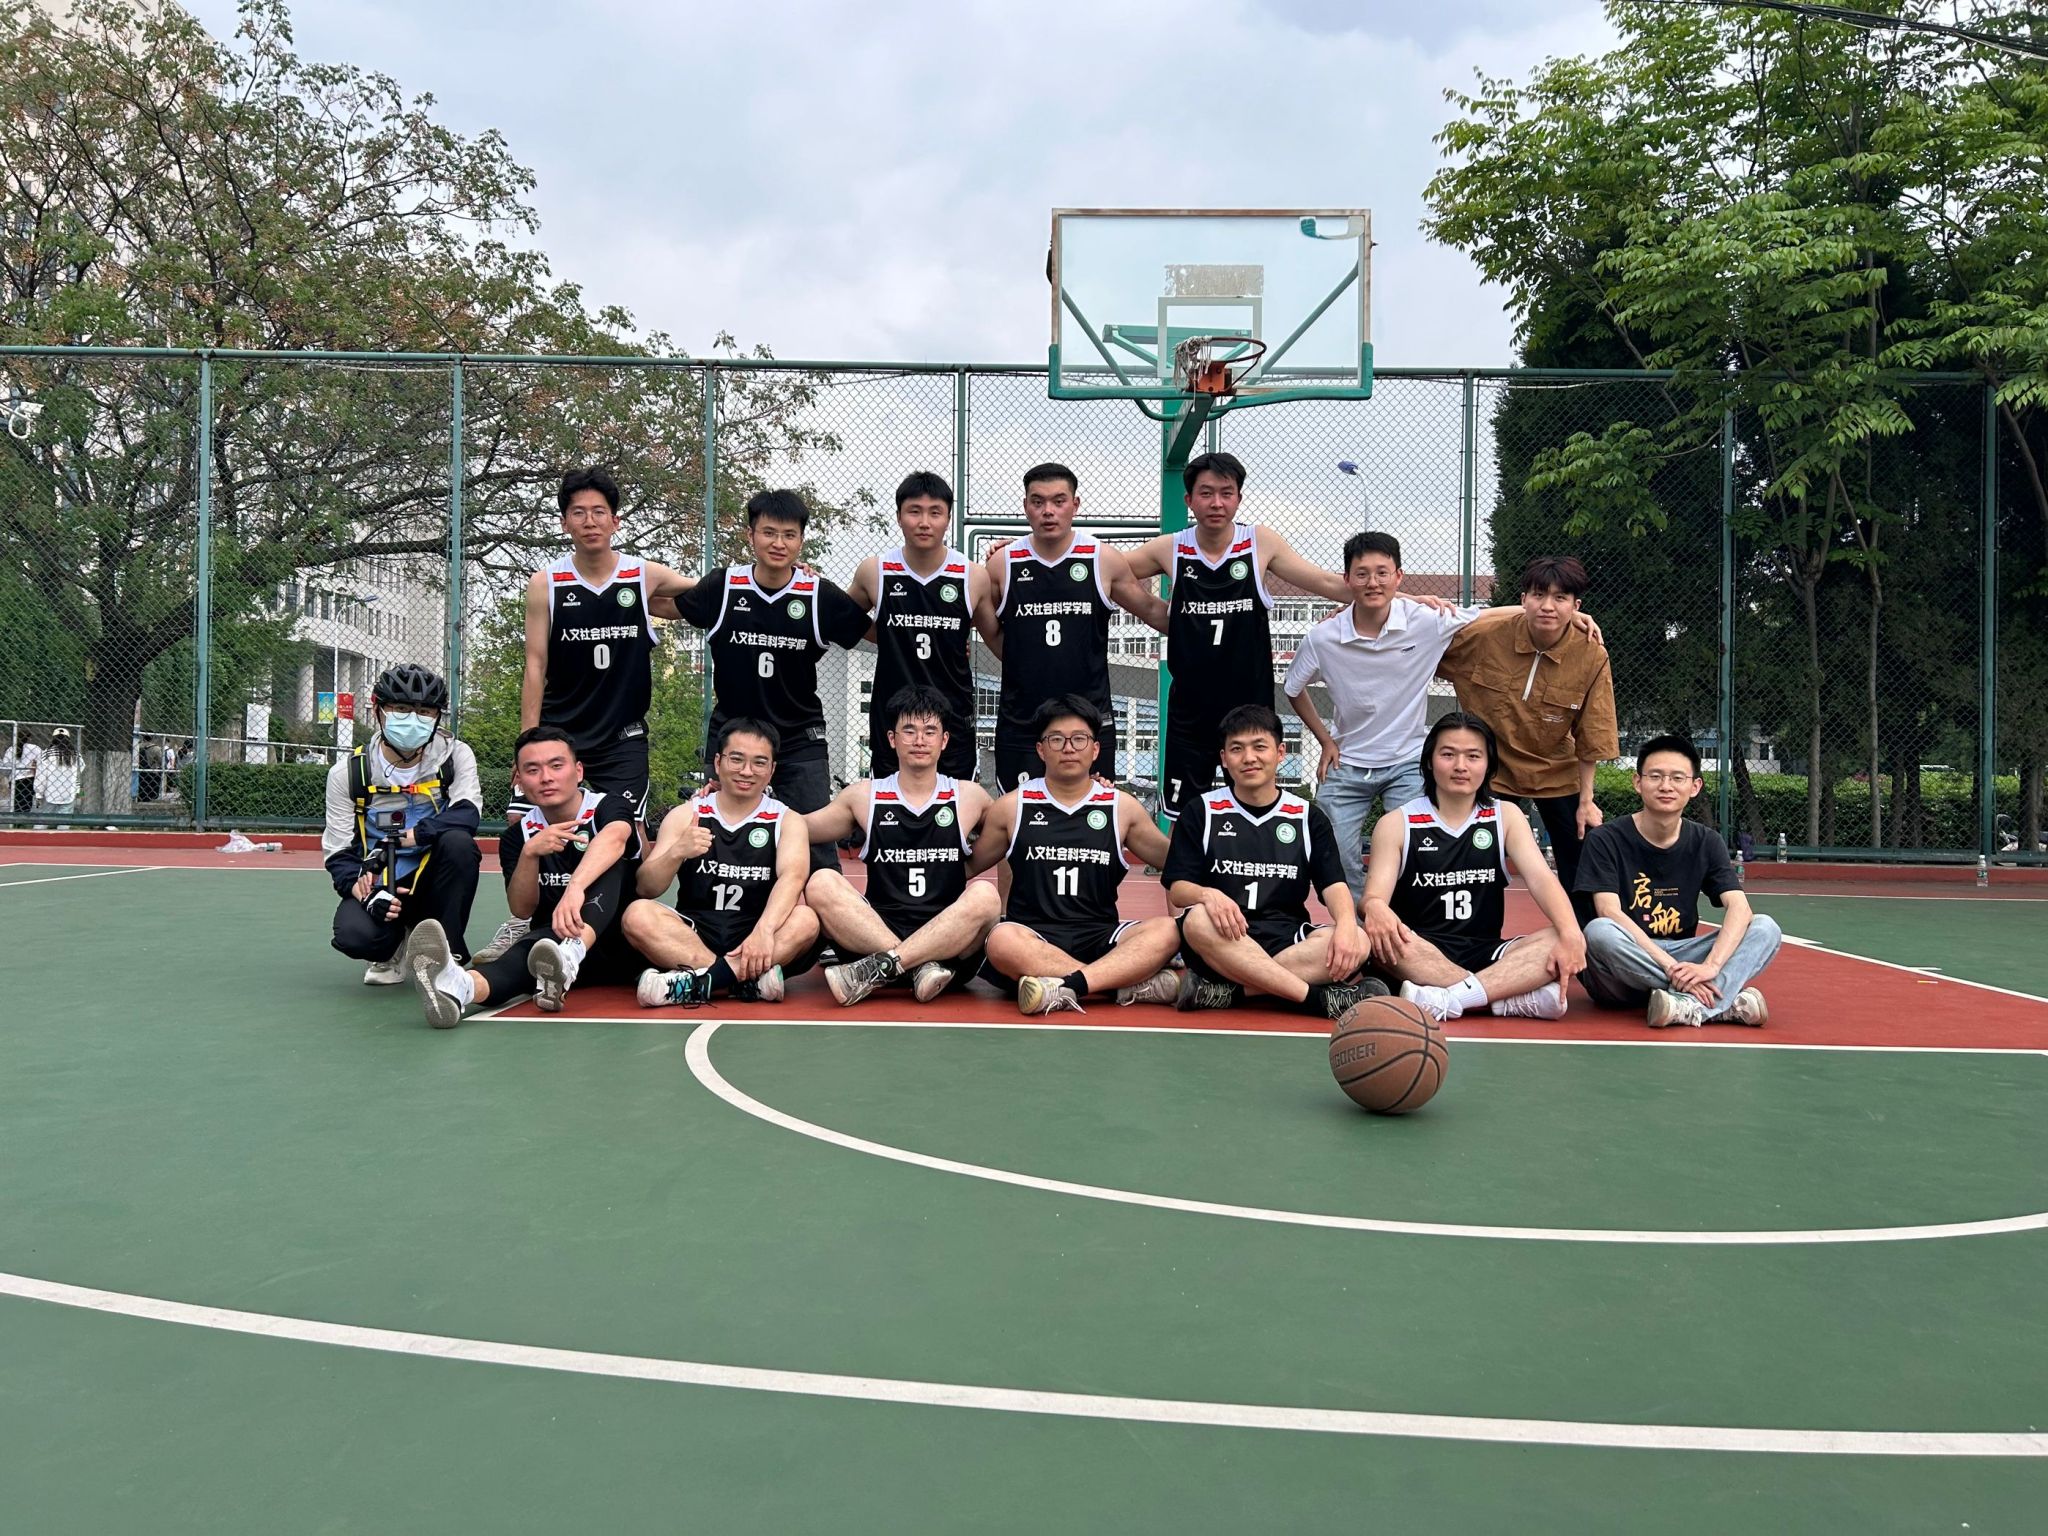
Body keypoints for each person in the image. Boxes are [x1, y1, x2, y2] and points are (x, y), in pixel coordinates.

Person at [1286, 531, 1599, 903]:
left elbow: (1485, 615)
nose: (1373, 582)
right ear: (1347, 579)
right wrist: (1324, 739)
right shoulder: (1323, 637)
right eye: (1362, 574)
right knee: (1334, 852)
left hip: (1406, 761)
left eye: (1383, 573)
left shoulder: (1425, 621)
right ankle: (1358, 922)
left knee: (1417, 849)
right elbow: (1293, 688)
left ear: (1399, 576)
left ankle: (1402, 923)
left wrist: (1565, 614)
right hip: (1348, 760)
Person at [485, 467, 698, 965]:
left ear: (615, 520)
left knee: (630, 835)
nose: (589, 521)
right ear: (565, 523)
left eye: (599, 512)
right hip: (561, 735)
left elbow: (709, 593)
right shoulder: (546, 583)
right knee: (525, 829)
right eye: (578, 512)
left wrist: (771, 573)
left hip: (622, 737)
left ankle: (627, 926)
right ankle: (525, 923)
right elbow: (535, 665)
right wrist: (527, 743)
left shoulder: (642, 575)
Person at [1121, 452, 1351, 816]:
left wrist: (1402, 598)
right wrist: (1158, 613)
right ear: (1189, 500)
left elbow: (1326, 582)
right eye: (1206, 493)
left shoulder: (1259, 542)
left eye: (1226, 493)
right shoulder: (1172, 547)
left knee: (1254, 811)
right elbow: (1105, 570)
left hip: (1250, 709)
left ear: (1239, 498)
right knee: (1186, 818)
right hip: (1190, 712)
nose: (1217, 503)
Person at [673, 489, 871, 871]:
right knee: (721, 841)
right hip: (734, 736)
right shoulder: (723, 586)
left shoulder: (818, 594)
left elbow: (872, 631)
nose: (779, 543)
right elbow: (664, 601)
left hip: (799, 737)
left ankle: (824, 907)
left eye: (789, 535)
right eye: (769, 533)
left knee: (817, 847)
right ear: (750, 535)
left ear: (801, 540)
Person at [401, 725, 641, 1027]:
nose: (546, 777)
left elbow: (616, 838)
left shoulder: (608, 806)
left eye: (556, 766)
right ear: (519, 779)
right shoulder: (519, 836)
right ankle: (458, 987)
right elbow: (522, 909)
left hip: (626, 943)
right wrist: (530, 854)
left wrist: (575, 888)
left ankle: (573, 953)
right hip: (554, 948)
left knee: (608, 859)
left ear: (578, 771)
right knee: (519, 959)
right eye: (532, 770)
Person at [1359, 712, 1587, 1022]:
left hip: (1487, 952)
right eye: (1448, 754)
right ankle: (1501, 999)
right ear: (1429, 761)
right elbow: (1373, 898)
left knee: (1560, 937)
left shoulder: (1505, 816)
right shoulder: (1398, 823)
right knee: (1378, 941)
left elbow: (1541, 879)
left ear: (1489, 764)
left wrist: (1572, 933)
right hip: (1418, 950)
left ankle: (1451, 999)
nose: (1460, 766)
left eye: (1473, 756)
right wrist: (1374, 906)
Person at [1166, 704, 1382, 1018]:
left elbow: (1334, 885)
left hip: (1288, 939)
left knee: (1358, 941)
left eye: (1259, 747)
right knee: (1196, 919)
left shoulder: (1307, 817)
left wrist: (1347, 925)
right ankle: (1315, 1000)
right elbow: (1178, 889)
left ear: (1280, 753)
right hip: (1224, 937)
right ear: (1224, 759)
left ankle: (1229, 993)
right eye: (1237, 749)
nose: (1249, 757)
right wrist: (1207, 894)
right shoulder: (1202, 811)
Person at [971, 694, 1181, 1014]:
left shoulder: (1120, 807)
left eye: (1079, 739)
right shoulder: (1013, 807)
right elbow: (967, 865)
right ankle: (1114, 983)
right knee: (1001, 940)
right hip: (1033, 937)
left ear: (1095, 749)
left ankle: (1067, 985)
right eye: (1056, 739)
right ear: (1040, 749)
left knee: (1167, 931)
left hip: (1101, 935)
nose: (1068, 748)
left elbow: (1177, 862)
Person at [1438, 555, 1617, 926]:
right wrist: (1354, 617)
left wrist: (1587, 801)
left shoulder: (1591, 654)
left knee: (1582, 849)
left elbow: (1593, 731)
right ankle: (1469, 939)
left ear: (1576, 605)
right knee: (1474, 860)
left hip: (1555, 769)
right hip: (1491, 770)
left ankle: (1589, 942)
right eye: (1538, 595)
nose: (1547, 606)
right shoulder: (1485, 635)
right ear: (1523, 599)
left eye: (1560, 598)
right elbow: (1422, 638)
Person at [802, 685, 1001, 1006]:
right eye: (909, 730)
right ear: (892, 739)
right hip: (874, 932)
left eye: (930, 731)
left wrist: (966, 868)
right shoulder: (864, 796)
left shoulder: (969, 796)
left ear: (944, 740)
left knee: (986, 896)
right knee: (821, 881)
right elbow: (801, 828)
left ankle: (885, 966)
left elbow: (1014, 830)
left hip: (948, 937)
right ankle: (916, 966)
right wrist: (735, 804)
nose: (919, 740)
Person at [1575, 734, 1781, 1028]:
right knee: (1599, 932)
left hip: (1684, 954)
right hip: (1625, 966)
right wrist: (1672, 968)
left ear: (1694, 786)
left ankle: (1690, 1006)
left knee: (1765, 927)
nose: (1666, 786)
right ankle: (1716, 1001)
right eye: (1655, 776)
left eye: (1677, 778)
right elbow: (1609, 911)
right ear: (1638, 782)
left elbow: (1740, 907)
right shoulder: (1605, 839)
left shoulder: (1706, 841)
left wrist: (1711, 966)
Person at [985, 463, 1166, 791]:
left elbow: (1153, 610)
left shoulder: (1101, 559)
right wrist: (1022, 661)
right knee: (1020, 814)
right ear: (1025, 506)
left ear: (1075, 504)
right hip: (1022, 721)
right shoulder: (1003, 563)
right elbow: (992, 632)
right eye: (1038, 502)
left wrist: (1207, 621)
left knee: (1091, 814)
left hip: (1089, 721)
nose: (1048, 511)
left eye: (1058, 501)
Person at [626, 718, 825, 1006]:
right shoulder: (687, 815)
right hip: (695, 934)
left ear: (772, 770)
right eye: (737, 759)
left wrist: (764, 931)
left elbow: (792, 879)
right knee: (636, 915)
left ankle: (702, 983)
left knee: (806, 919)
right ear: (718, 763)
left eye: (759, 762)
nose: (747, 771)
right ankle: (743, 982)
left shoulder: (786, 820)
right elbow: (646, 887)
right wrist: (676, 852)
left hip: (756, 933)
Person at [324, 665, 484, 987]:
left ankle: (446, 956)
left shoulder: (454, 756)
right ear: (377, 709)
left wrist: (413, 836)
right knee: (354, 935)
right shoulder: (348, 773)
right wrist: (365, 893)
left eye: (425, 711)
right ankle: (391, 947)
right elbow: (338, 853)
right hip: (382, 879)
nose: (413, 719)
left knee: (459, 844)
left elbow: (467, 813)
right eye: (401, 708)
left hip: (432, 876)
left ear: (437, 717)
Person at [844, 472, 1001, 782]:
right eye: (914, 511)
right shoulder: (875, 571)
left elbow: (995, 636)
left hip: (953, 718)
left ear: (948, 519)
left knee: (954, 807)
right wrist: (891, 636)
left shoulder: (971, 576)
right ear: (899, 516)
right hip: (893, 718)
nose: (924, 522)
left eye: (935, 513)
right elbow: (841, 619)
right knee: (890, 805)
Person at [32, 727, 77, 815]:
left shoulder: (46, 753)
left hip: (50, 793)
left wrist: (39, 794)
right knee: (65, 820)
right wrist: (78, 791)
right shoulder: (75, 754)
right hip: (69, 793)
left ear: (53, 739)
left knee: (46, 818)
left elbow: (41, 775)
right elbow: (79, 773)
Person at [3, 733, 37, 814]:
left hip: (15, 780)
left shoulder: (11, 749)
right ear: (29, 739)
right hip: (29, 779)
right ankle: (24, 818)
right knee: (27, 803)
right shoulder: (35, 748)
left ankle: (16, 819)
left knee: (16, 803)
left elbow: (6, 766)